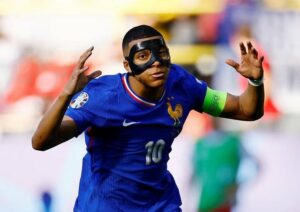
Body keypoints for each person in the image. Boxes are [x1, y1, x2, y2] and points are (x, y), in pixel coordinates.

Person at [32, 25, 264, 211]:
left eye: (161, 53)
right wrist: (65, 94)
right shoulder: (103, 96)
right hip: (105, 206)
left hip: (160, 204)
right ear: (127, 64)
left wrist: (255, 81)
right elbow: (41, 142)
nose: (155, 61)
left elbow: (246, 110)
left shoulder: (181, 84)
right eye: (143, 55)